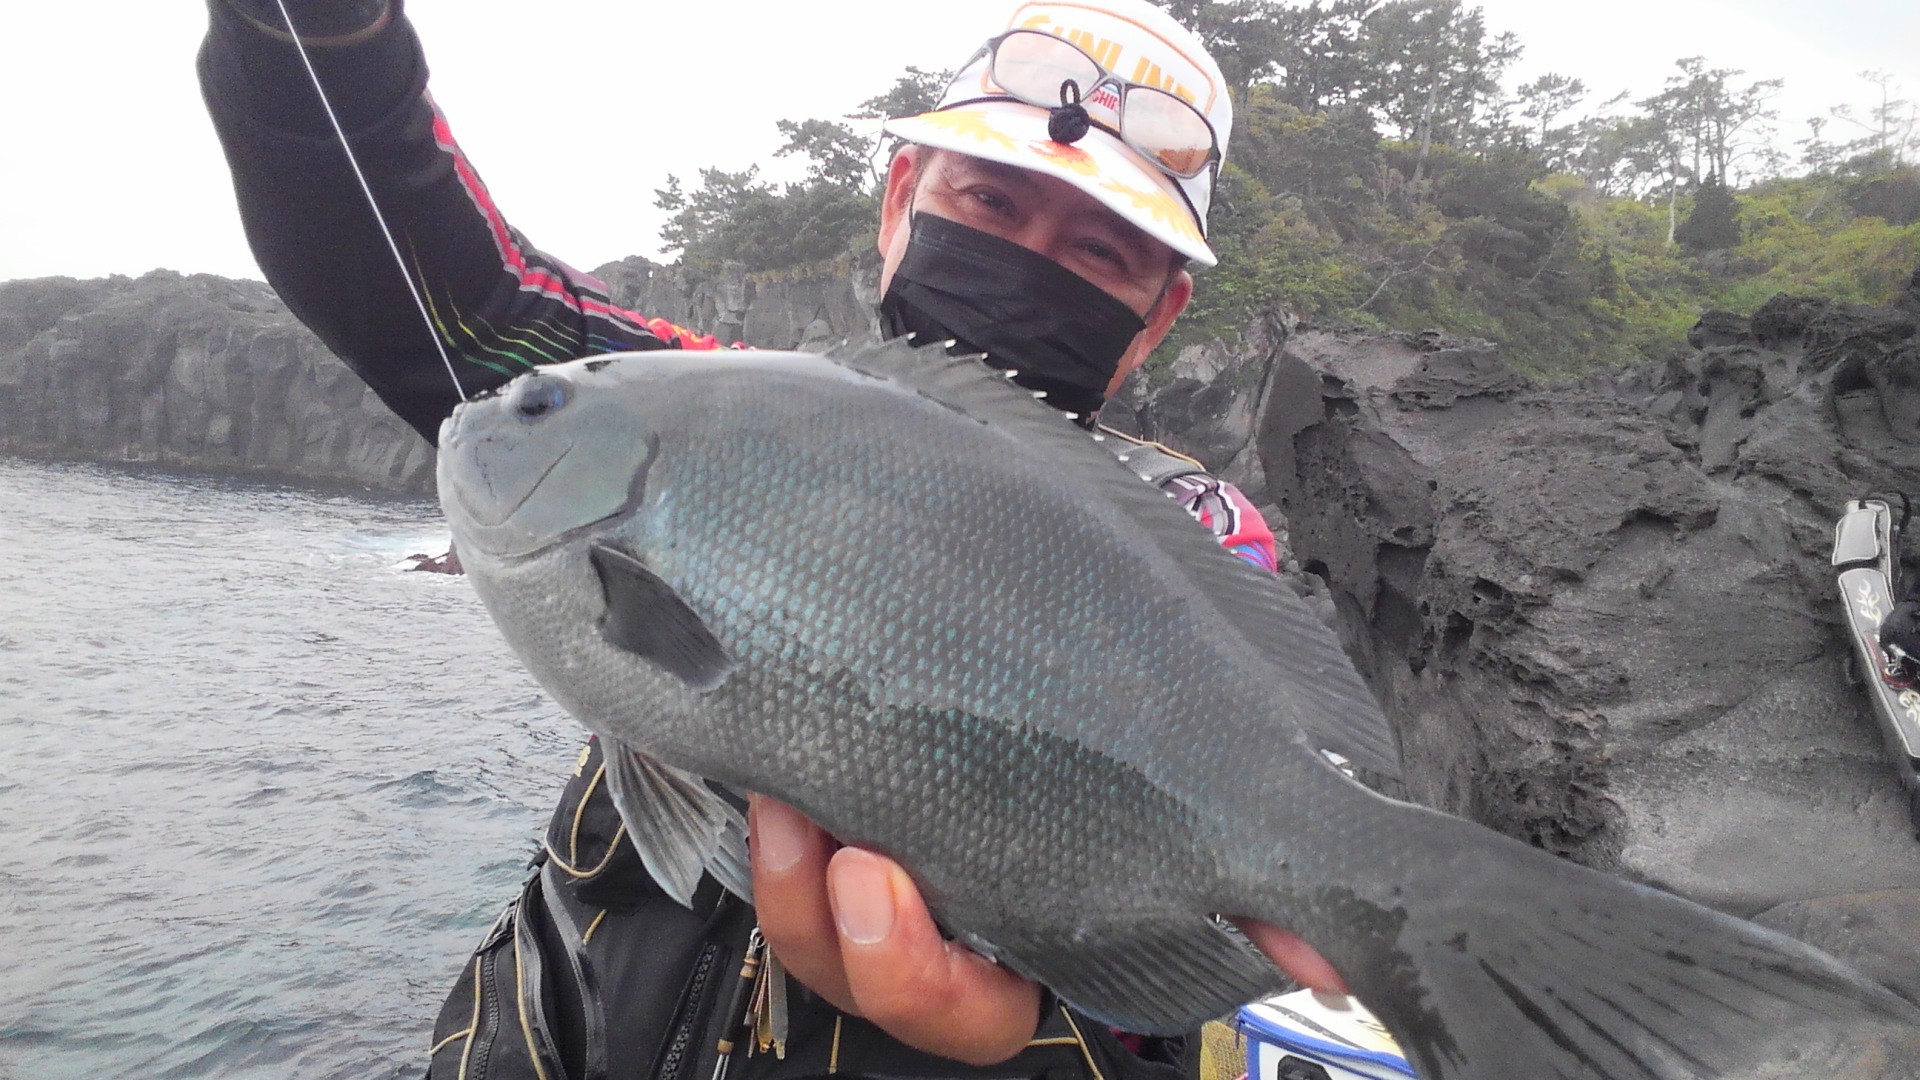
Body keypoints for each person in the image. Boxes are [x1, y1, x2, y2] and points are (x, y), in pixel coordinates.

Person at [199, 2, 1350, 1077]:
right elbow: (452, 292)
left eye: (1100, 251)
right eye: (992, 205)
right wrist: (323, 39)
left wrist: (1049, 1008)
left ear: (1157, 316)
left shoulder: (1191, 539)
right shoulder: (699, 418)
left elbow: (1240, 859)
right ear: (900, 199)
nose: (1029, 262)